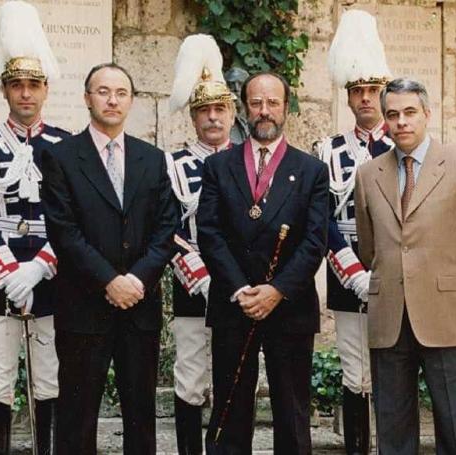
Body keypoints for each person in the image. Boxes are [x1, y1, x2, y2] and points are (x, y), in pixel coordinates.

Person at [354, 77, 456, 454]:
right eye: (392, 115)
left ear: (427, 114)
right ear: (385, 120)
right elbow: (370, 248)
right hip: (389, 318)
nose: (401, 122)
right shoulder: (369, 175)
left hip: (447, 315)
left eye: (409, 113)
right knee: (393, 429)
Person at [40, 63, 178, 455]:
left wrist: (136, 280)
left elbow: (167, 227)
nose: (112, 99)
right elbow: (63, 232)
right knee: (77, 418)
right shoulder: (62, 158)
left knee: (141, 418)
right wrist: (108, 280)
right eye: (103, 91)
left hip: (139, 307)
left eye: (120, 92)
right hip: (84, 308)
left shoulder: (152, 159)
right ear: (87, 98)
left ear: (131, 100)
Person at [197, 71, 329, 454]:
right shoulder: (219, 167)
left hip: (289, 305)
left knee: (291, 413)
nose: (264, 111)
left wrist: (276, 291)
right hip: (233, 304)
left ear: (286, 108)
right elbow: (210, 233)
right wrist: (241, 289)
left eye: (273, 103)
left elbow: (313, 242)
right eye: (256, 103)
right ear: (245, 109)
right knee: (230, 410)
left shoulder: (311, 171)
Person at [0, 2, 67, 453]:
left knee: (49, 376)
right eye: (17, 85)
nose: (26, 94)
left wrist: (38, 269)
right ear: (4, 89)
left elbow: (70, 219)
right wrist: (9, 275)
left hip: (51, 275)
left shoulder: (66, 146)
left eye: (34, 85)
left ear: (45, 90)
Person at [313, 10, 394, 453]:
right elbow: (320, 217)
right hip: (348, 273)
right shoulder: (328, 150)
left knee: (394, 365)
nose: (366, 99)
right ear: (348, 97)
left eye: (373, 90)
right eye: (358, 91)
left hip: (396, 272)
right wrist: (350, 269)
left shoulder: (403, 146)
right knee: (354, 369)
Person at [166, 34, 236, 455]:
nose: (213, 118)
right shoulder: (171, 165)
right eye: (204, 111)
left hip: (237, 289)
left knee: (232, 378)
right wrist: (202, 278)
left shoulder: (248, 160)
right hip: (194, 290)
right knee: (190, 380)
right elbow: (166, 229)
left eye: (220, 109)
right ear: (193, 117)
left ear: (231, 114)